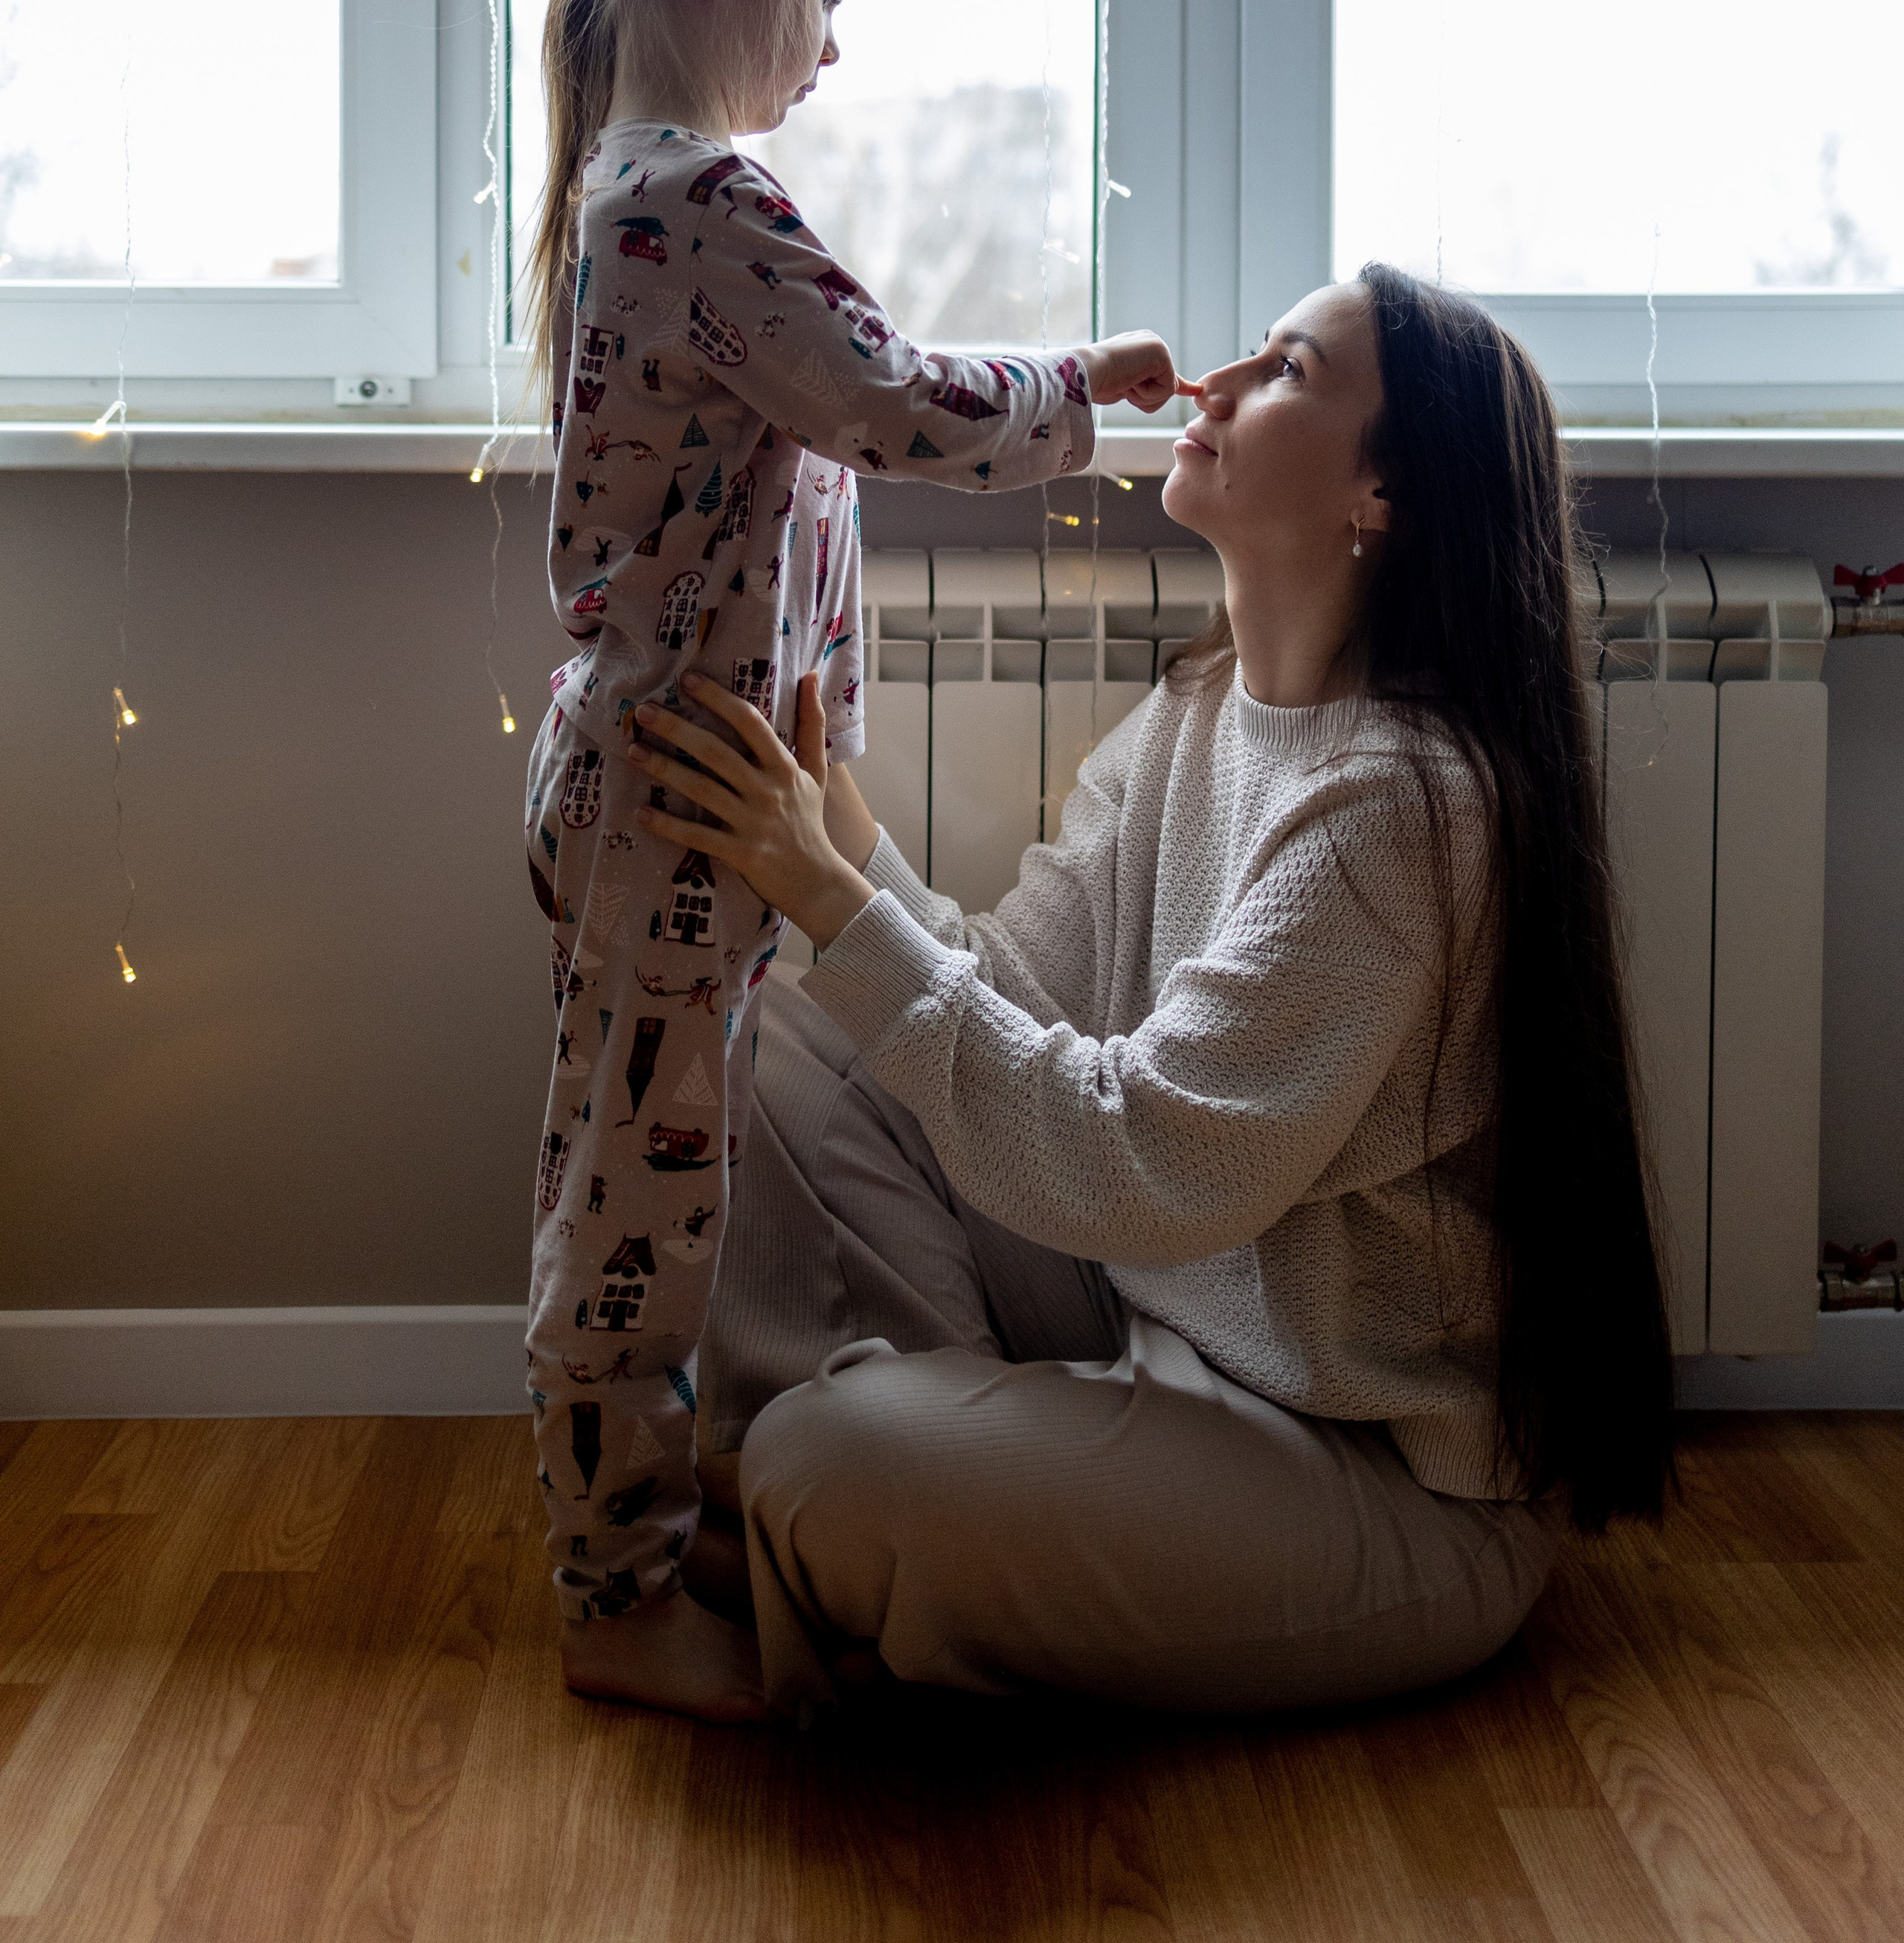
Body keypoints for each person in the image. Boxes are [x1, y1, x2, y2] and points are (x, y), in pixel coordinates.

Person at [640, 264, 1676, 1717]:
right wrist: (837, 830)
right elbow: (999, 988)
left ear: (1380, 497)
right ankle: (900, 1517)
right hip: (1151, 1318)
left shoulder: (1400, 807)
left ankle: (860, 1514)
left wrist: (827, 892)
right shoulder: (1197, 713)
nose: (1218, 385)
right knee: (778, 1040)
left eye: (1288, 373)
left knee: (827, 1466)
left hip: (1360, 1473)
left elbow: (1144, 1157)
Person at [521, 0, 1182, 1724]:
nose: (831, 47)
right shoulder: (704, 201)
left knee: (663, 1194)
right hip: (671, 810)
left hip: (684, 794)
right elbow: (891, 400)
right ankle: (611, 1599)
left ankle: (634, 1519)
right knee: (632, 1211)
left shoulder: (644, 195)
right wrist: (1090, 392)